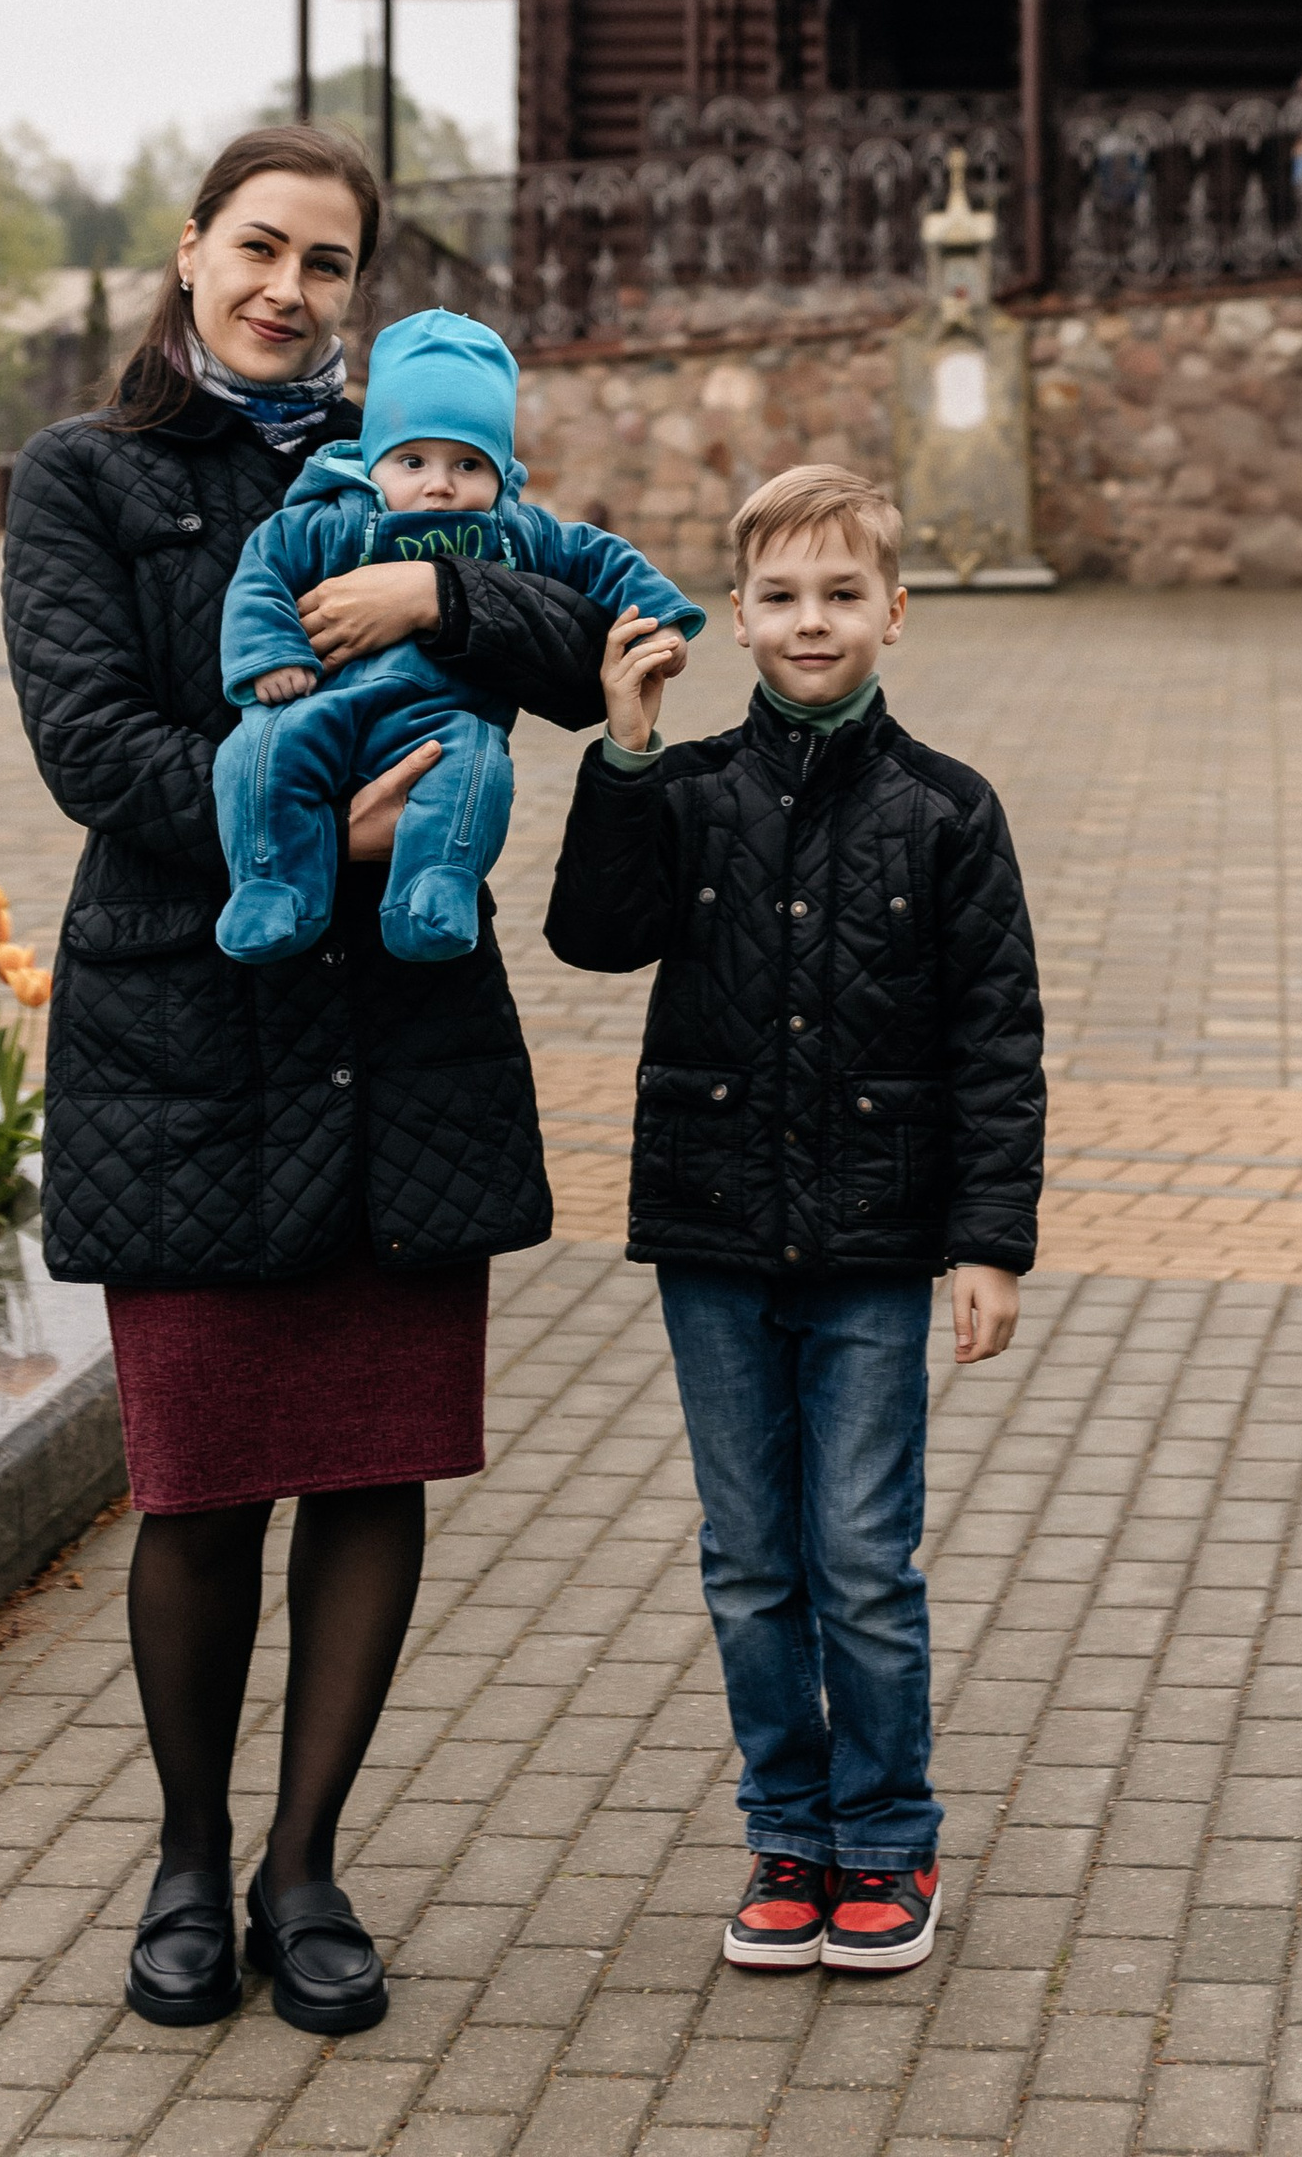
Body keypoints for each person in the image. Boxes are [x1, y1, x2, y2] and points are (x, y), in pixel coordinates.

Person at [2, 125, 617, 2043]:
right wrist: (287, 817)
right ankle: (190, 1862)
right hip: (184, 1027)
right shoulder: (82, 477)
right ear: (186, 256)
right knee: (197, 1487)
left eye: (328, 264)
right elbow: (90, 737)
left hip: (399, 1038)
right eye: (258, 249)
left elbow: (597, 651)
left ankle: (306, 1863)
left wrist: (442, 605)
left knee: (370, 1464)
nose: (288, 290)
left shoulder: (444, 477)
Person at [544, 460, 1046, 1978]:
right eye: (779, 596)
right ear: (737, 616)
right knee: (751, 1556)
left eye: (842, 595)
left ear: (893, 613)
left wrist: (989, 1241)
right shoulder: (687, 791)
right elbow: (591, 935)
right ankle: (789, 1829)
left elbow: (997, 1041)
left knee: (862, 1560)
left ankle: (887, 1838)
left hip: (881, 1248)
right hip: (712, 1236)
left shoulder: (950, 810)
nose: (810, 621)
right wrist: (620, 753)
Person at [213, 304, 702, 965]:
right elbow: (261, 573)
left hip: (442, 720)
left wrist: (659, 617)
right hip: (319, 705)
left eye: (468, 465)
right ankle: (273, 887)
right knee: (257, 753)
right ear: (372, 461)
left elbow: (600, 558)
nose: (439, 486)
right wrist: (270, 653)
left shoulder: (514, 530)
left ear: (499, 470)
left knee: (478, 771)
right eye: (412, 461)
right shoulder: (329, 519)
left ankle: (435, 891)